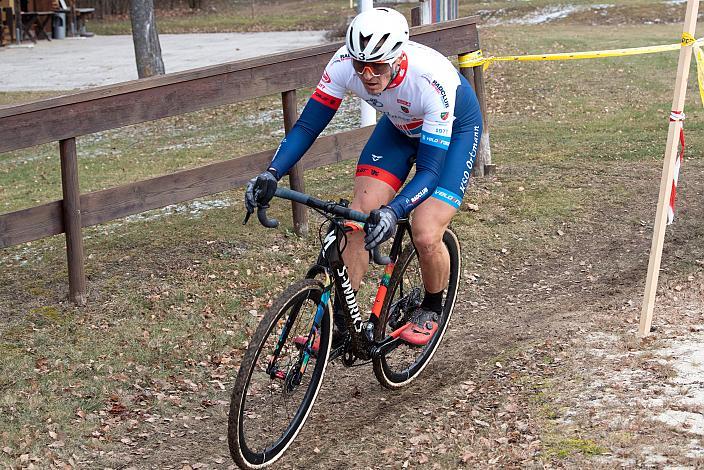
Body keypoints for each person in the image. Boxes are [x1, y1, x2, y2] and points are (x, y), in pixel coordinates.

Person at [245, 7, 482, 347]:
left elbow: (429, 171)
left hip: (453, 132)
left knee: (425, 232)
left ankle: (431, 307)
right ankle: (343, 325)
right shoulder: (344, 64)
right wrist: (271, 172)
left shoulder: (431, 81)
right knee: (356, 220)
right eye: (361, 66)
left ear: (398, 59)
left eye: (377, 66)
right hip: (399, 129)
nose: (367, 75)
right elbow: (309, 126)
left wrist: (395, 209)